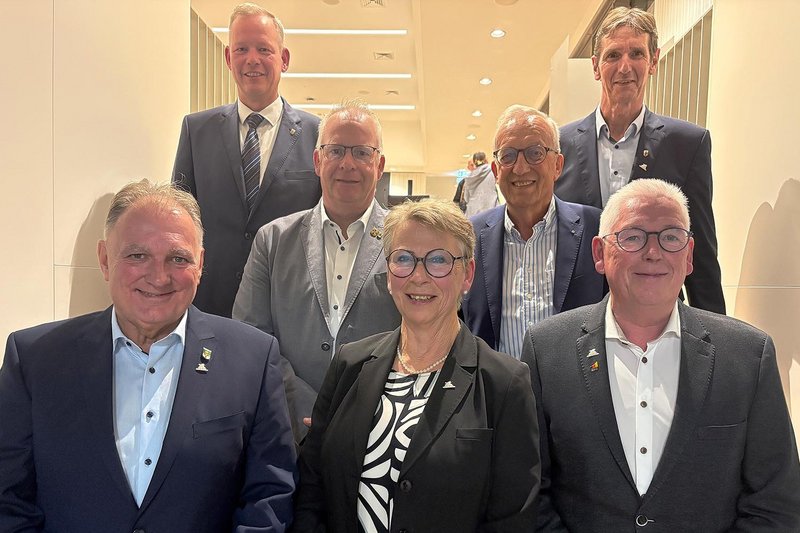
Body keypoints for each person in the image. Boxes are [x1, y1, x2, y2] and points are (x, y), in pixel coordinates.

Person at [0, 180, 297, 532]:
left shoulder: (254, 359)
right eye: (137, 256)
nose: (158, 277)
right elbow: (9, 499)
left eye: (178, 258)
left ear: (200, 264)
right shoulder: (34, 360)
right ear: (105, 260)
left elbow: (269, 496)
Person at [522, 179, 800, 532]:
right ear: (599, 254)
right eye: (633, 237)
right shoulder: (546, 350)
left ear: (689, 255)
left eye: (670, 237)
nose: (653, 252)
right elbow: (531, 492)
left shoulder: (748, 356)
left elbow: (776, 503)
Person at [293, 199, 540, 532]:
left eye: (438, 260)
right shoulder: (350, 365)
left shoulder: (505, 383)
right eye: (404, 259)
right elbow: (312, 490)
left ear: (467, 274)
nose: (418, 276)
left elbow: (512, 520)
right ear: (389, 273)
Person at [233, 100, 401, 442]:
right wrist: (305, 407)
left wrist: (368, 411)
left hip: (381, 432)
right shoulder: (272, 240)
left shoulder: (406, 242)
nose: (347, 164)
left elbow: (423, 336)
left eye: (362, 152)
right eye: (335, 150)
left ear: (379, 165)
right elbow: (250, 338)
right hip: (289, 431)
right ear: (317, 160)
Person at [555, 7, 725, 315]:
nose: (625, 67)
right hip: (578, 321)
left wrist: (716, 333)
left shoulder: (687, 145)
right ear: (595, 66)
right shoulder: (559, 146)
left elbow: (700, 255)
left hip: (659, 318)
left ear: (653, 61)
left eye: (636, 53)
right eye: (613, 55)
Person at [173, 2, 321, 318]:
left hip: (289, 307)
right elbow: (179, 222)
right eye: (241, 49)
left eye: (264, 49)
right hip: (210, 306)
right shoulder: (196, 131)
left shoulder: (318, 135)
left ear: (284, 59)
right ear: (229, 58)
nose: (252, 59)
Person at [463, 105, 605, 358]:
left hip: (575, 381)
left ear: (558, 165)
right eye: (508, 156)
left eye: (535, 153)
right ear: (496, 171)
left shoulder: (597, 228)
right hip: (494, 383)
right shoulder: (469, 236)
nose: (520, 168)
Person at [463, 151, 498, 217]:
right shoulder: (493, 171)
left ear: (474, 162)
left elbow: (466, 198)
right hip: (491, 209)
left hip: (472, 213)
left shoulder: (469, 177)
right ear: (486, 160)